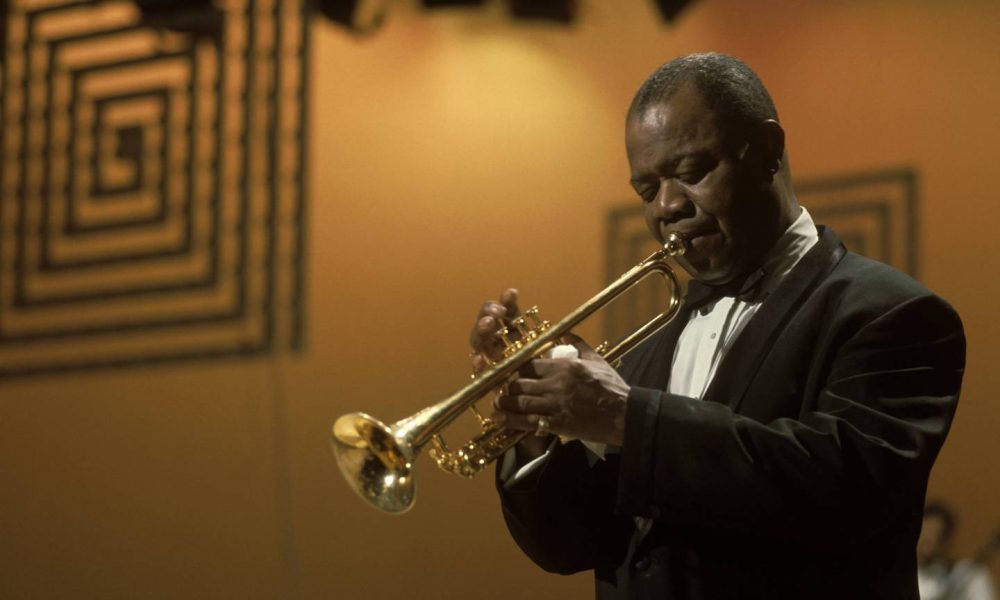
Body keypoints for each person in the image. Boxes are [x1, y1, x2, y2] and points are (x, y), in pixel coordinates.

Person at [469, 53, 966, 599]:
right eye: (645, 190)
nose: (667, 207)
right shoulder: (648, 347)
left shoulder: (894, 314)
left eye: (690, 172)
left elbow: (843, 494)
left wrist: (626, 418)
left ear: (768, 153)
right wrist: (536, 431)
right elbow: (570, 547)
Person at [918, 501, 998, 600]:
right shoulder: (899, 578)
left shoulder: (970, 576)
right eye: (925, 532)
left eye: (937, 534)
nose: (929, 541)